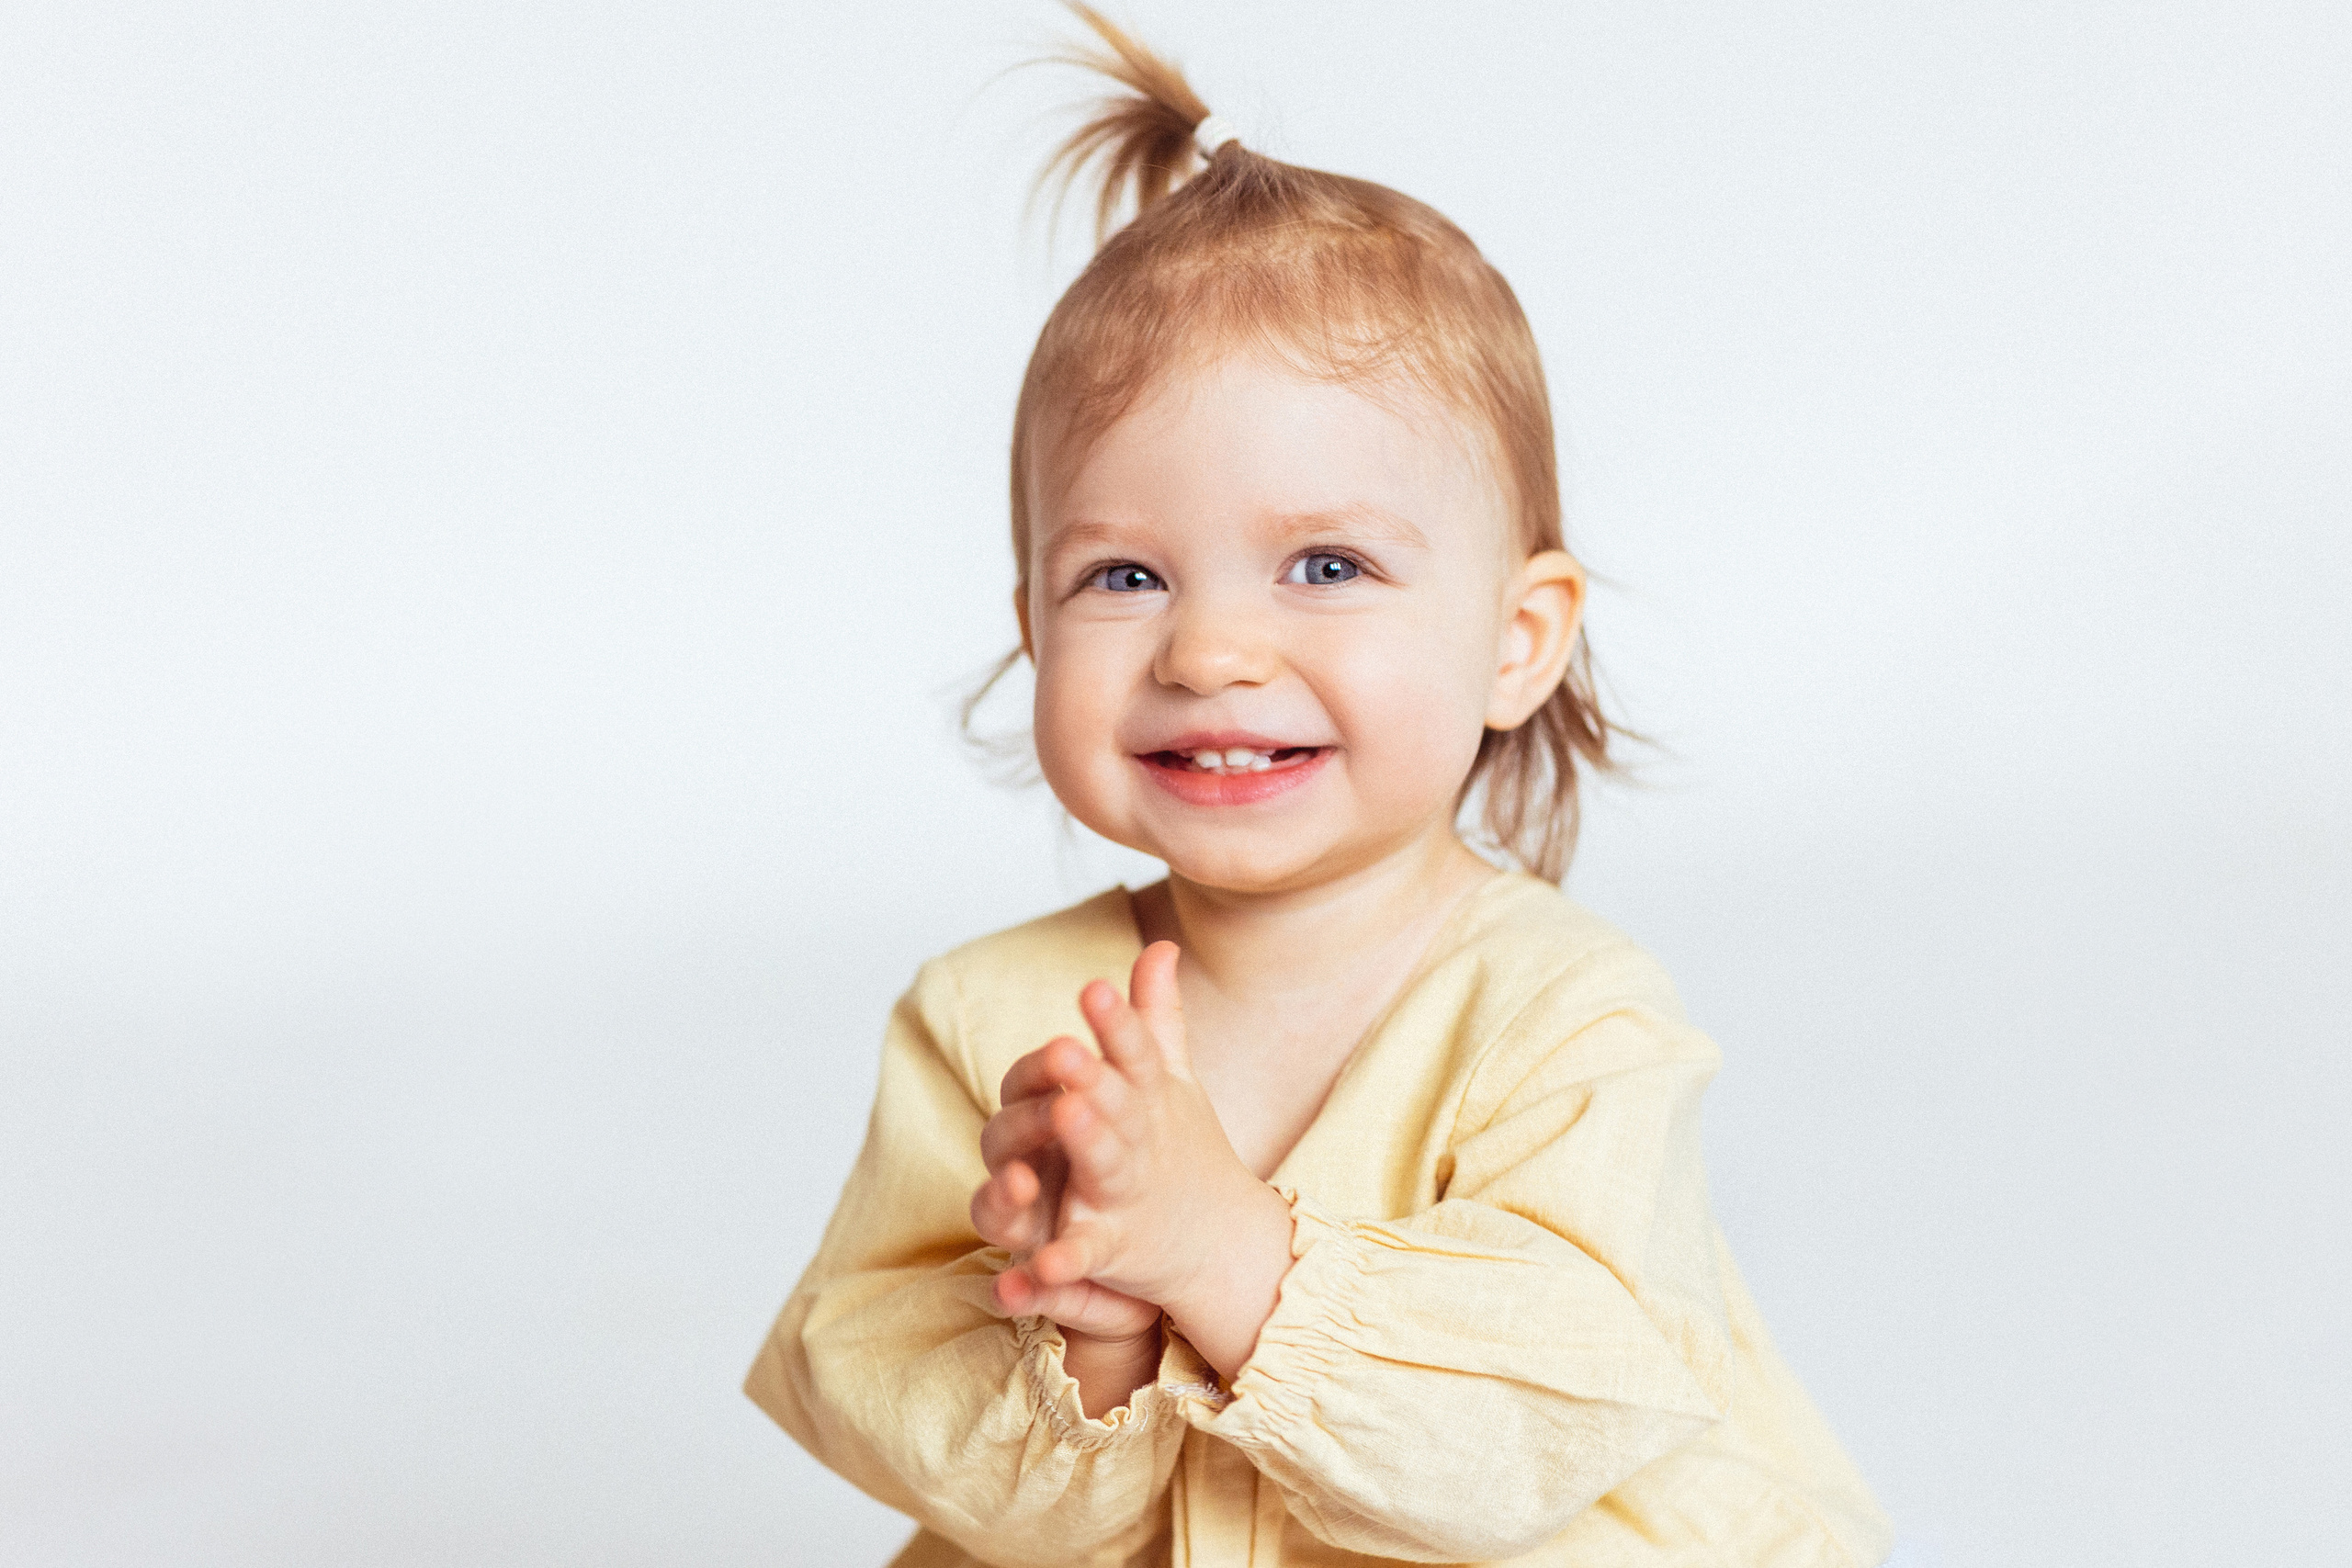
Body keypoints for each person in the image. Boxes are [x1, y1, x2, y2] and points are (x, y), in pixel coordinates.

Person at [746, 7, 1893, 1564]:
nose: (1212, 650)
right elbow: (916, 1436)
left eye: (1329, 564)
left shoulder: (1575, 1022)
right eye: (1127, 574)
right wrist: (1081, 1327)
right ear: (1030, 630)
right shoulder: (992, 1023)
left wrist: (1224, 1251)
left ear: (1517, 641)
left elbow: (1525, 1442)